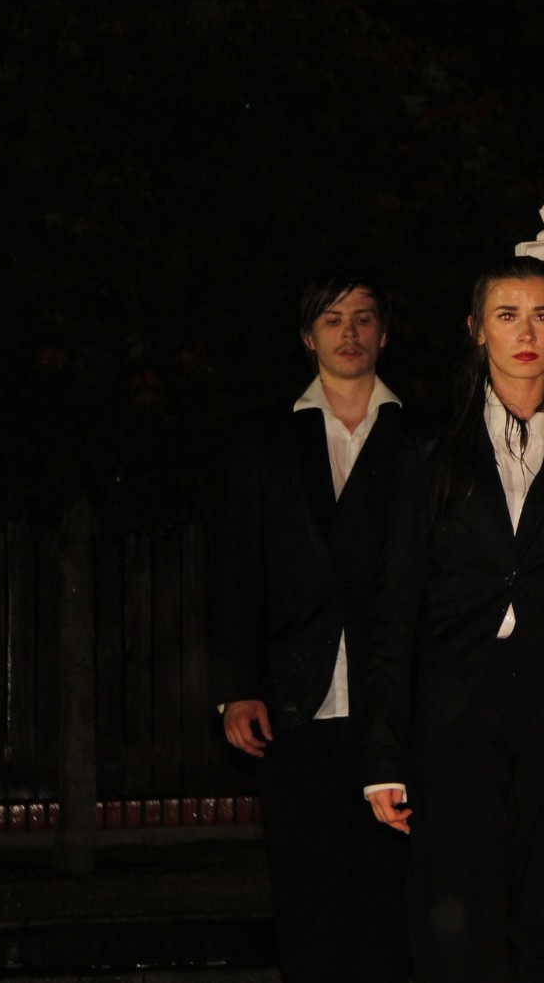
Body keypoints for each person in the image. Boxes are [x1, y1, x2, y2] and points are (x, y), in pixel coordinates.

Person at [362, 255, 544, 982]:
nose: (526, 333)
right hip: (455, 712)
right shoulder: (424, 445)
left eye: (542, 316)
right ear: (477, 330)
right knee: (456, 921)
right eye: (507, 315)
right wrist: (383, 756)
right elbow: (394, 606)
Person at [210, 275, 417, 982]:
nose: (349, 332)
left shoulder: (423, 435)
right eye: (332, 319)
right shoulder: (263, 437)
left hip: (397, 701)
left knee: (391, 895)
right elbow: (237, 566)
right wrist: (238, 686)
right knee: (306, 894)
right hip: (294, 699)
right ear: (309, 336)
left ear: (384, 333)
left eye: (363, 318)